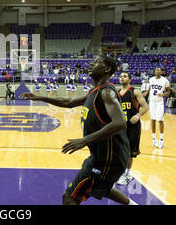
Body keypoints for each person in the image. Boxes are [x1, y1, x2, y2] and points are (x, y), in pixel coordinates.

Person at [20, 55, 137, 205]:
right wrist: (39, 97)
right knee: (100, 186)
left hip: (109, 158)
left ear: (107, 69)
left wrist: (84, 140)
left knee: (69, 197)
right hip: (101, 155)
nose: (91, 64)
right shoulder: (95, 91)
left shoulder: (106, 92)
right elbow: (69, 102)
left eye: (96, 62)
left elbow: (120, 123)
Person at [116, 72, 149, 186]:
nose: (121, 78)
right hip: (120, 126)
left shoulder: (134, 91)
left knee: (130, 152)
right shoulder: (117, 93)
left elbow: (145, 107)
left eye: (124, 76)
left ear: (129, 79)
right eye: (120, 76)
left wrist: (138, 115)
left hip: (132, 126)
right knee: (119, 151)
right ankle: (120, 171)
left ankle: (127, 174)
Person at [143, 67, 171, 149]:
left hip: (160, 102)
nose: (157, 71)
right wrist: (147, 92)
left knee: (160, 120)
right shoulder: (151, 79)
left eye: (159, 70)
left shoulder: (165, 80)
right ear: (154, 72)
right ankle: (154, 138)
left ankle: (161, 139)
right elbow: (150, 88)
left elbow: (169, 91)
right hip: (152, 101)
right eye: (156, 70)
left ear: (161, 72)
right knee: (153, 119)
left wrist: (163, 95)